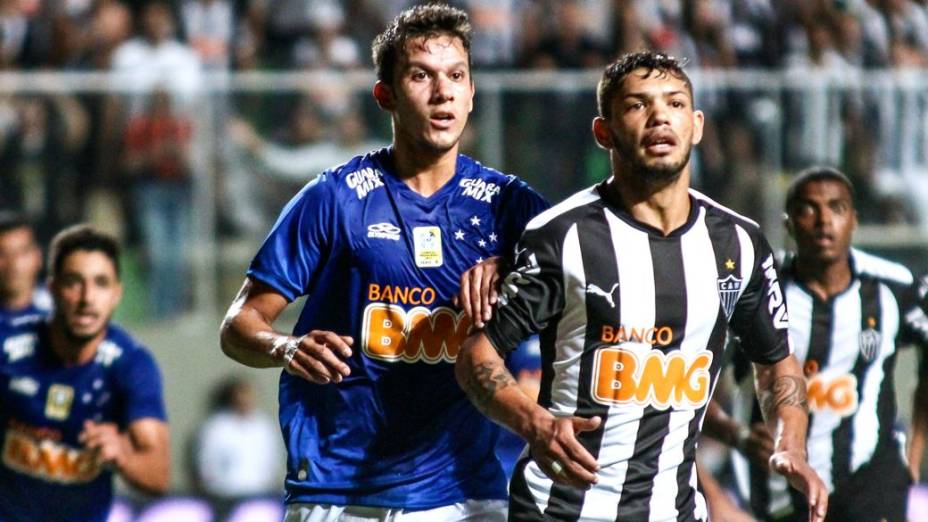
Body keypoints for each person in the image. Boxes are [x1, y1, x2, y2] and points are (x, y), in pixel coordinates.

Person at [454, 51, 828, 522]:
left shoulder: (740, 243)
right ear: (603, 132)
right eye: (637, 105)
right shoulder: (563, 237)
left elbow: (776, 363)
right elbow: (476, 356)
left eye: (674, 104)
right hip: (561, 510)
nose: (658, 117)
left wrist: (789, 445)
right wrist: (537, 424)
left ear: (696, 125)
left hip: (673, 510)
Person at [218, 4, 548, 521]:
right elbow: (239, 323)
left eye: (456, 76)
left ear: (472, 92)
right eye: (422, 76)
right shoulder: (334, 197)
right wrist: (287, 346)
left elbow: (588, 291)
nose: (442, 92)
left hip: (464, 493)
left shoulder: (512, 207)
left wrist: (514, 264)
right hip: (340, 492)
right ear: (385, 96)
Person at [702, 166, 928, 521]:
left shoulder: (894, 287)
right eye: (809, 209)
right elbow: (690, 382)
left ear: (854, 219)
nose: (824, 221)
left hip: (871, 478)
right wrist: (738, 436)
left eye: (836, 208)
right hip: (779, 486)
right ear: (788, 222)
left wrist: (913, 456)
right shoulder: (756, 288)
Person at [0, 224, 170, 521]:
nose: (87, 298)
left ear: (117, 293)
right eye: (74, 282)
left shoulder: (131, 364)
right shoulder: (7, 347)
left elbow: (158, 475)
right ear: (52, 289)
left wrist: (122, 455)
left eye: (101, 283)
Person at [192, 375, 282, 499]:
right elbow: (207, 465)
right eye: (242, 394)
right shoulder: (216, 427)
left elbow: (271, 461)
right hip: (225, 497)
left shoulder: (264, 426)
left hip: (259, 497)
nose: (246, 399)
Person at [0, 212, 51, 327]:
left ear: (38, 257)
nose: (13, 264)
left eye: (22, 252)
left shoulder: (62, 307)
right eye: (2, 253)